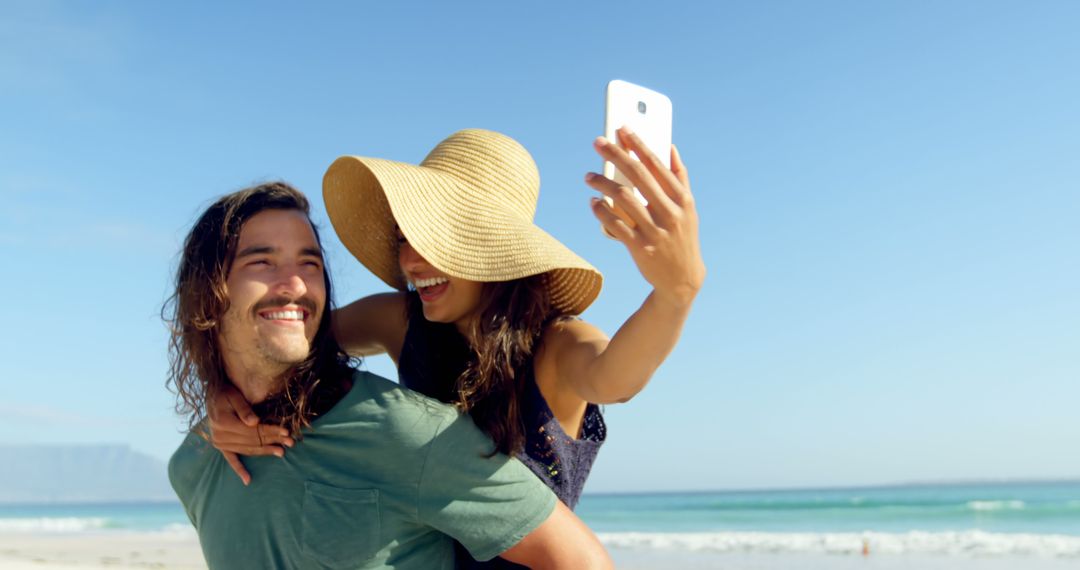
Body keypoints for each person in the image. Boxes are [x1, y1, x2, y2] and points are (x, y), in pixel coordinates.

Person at [210, 128, 703, 565]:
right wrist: (221, 393)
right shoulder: (401, 321)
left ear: (496, 247)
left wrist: (675, 292)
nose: (411, 260)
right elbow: (282, 338)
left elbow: (615, 378)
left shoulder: (556, 344)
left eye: (438, 238)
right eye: (405, 237)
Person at [165, 182, 612, 569]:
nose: (296, 285)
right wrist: (217, 386)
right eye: (262, 262)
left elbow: (581, 561)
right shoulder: (193, 464)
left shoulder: (413, 433)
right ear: (206, 292)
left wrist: (678, 290)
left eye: (311, 264)